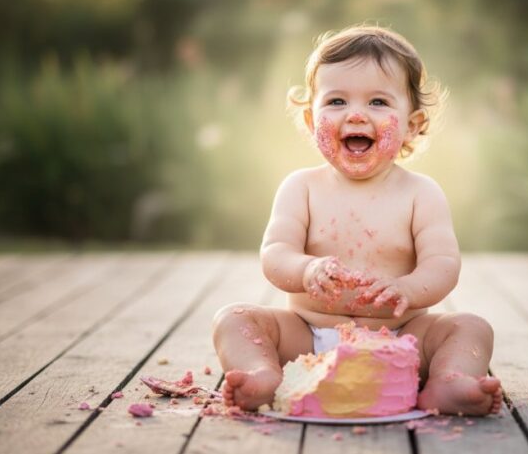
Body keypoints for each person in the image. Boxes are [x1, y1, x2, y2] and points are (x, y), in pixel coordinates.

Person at [212, 25, 503, 416]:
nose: (355, 114)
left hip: (402, 340)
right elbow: (275, 253)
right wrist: (306, 269)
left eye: (378, 102)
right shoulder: (302, 187)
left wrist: (407, 289)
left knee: (471, 327)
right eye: (335, 101)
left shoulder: (421, 193)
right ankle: (263, 374)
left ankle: (448, 382)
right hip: (306, 340)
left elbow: (443, 265)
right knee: (234, 319)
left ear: (412, 125)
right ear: (312, 121)